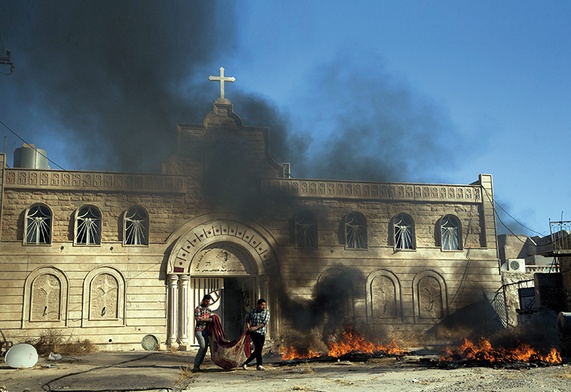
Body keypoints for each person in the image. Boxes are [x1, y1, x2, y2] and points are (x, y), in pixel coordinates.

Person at [241, 298, 270, 371]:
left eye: (264, 305)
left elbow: (264, 323)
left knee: (258, 349)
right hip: (254, 333)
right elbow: (247, 319)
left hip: (262, 332)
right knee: (258, 348)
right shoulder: (252, 312)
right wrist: (248, 325)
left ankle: (245, 362)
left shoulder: (266, 312)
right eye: (262, 305)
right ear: (258, 305)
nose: (263, 307)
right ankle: (259, 365)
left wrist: (255, 327)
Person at [193, 294, 213, 372]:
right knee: (202, 346)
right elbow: (198, 318)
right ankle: (196, 364)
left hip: (206, 331)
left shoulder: (208, 310)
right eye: (206, 301)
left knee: (205, 348)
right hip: (199, 330)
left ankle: (198, 365)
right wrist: (208, 320)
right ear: (203, 300)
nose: (207, 302)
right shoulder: (198, 309)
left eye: (209, 301)